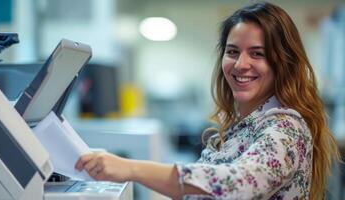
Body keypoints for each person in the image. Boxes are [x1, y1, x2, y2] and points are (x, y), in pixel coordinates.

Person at [75, 2, 340, 199]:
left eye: (257, 53)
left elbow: (239, 182)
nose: (241, 64)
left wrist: (130, 168)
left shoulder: (285, 127)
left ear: (283, 63)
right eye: (233, 51)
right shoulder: (244, 126)